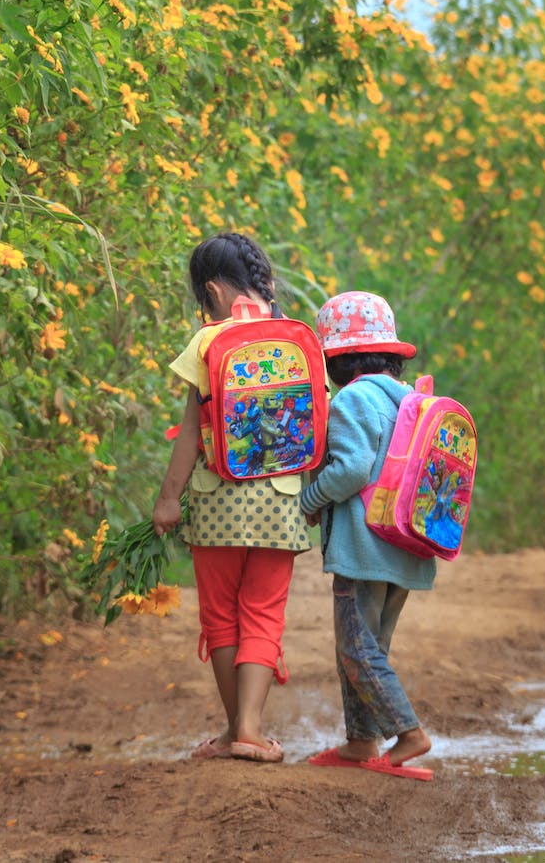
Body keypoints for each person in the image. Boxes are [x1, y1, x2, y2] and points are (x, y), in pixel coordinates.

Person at [152, 232, 308, 763]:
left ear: (214, 291)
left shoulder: (206, 343)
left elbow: (191, 434)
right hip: (282, 503)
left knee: (221, 618)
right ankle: (249, 730)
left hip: (217, 499)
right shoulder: (296, 338)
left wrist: (168, 501)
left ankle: (232, 731)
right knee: (263, 614)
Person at [300, 291, 437, 781]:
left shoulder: (353, 399)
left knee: (356, 649)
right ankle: (361, 742)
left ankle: (408, 734)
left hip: (364, 549)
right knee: (366, 647)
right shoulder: (409, 399)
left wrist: (310, 500)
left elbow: (352, 469)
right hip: (405, 546)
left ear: (336, 357)